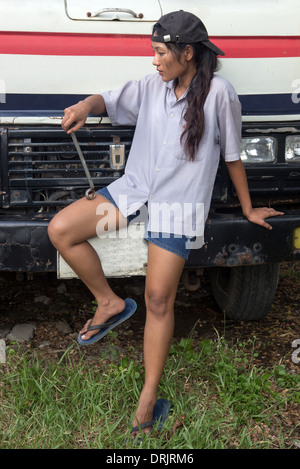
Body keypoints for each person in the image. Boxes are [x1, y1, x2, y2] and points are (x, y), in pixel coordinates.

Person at [48, 10, 283, 438]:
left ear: (187, 53)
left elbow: (232, 156)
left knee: (158, 300)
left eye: (160, 53)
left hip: (176, 209)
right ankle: (110, 303)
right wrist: (84, 105)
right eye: (153, 53)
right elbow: (108, 99)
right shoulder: (152, 87)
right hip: (132, 193)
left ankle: (148, 397)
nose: (154, 61)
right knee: (61, 230)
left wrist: (248, 209)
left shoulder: (220, 95)